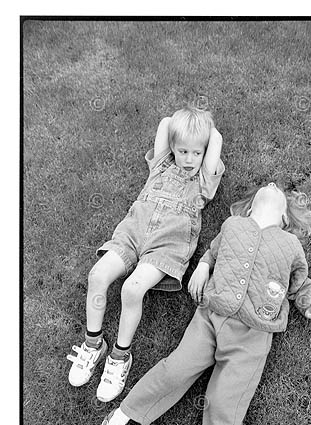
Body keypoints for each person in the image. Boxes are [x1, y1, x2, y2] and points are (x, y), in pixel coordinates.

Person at [89, 182, 311, 425]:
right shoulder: (232, 226)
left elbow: (299, 283)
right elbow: (212, 253)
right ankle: (119, 417)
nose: (273, 185)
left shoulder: (290, 246)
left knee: (224, 404)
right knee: (174, 369)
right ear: (249, 209)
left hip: (252, 336)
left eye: (278, 193)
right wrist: (201, 267)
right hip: (209, 318)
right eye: (266, 187)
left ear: (283, 216)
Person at [67, 105, 224, 402]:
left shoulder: (203, 183)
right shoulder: (161, 165)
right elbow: (166, 123)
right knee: (98, 274)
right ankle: (93, 344)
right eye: (183, 151)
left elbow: (215, 139)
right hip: (133, 232)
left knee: (132, 288)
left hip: (167, 244)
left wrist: (204, 126)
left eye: (196, 153)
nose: (189, 159)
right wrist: (184, 126)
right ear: (173, 150)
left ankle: (119, 356)